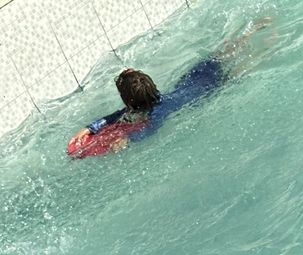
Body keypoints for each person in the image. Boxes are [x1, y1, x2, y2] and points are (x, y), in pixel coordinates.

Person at [67, 19, 272, 155]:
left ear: (129, 101)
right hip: (192, 79)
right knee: (222, 55)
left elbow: (150, 130)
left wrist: (127, 139)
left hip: (206, 91)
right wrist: (90, 128)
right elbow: (115, 116)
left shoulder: (155, 114)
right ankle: (252, 31)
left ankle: (268, 45)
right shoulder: (154, 99)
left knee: (241, 69)